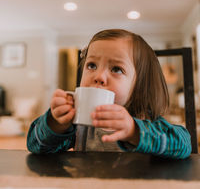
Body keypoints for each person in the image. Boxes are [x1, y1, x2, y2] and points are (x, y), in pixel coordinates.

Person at [27, 29, 191, 158]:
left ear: (140, 85)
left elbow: (184, 144)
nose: (98, 77)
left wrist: (134, 131)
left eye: (116, 69)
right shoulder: (79, 125)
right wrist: (56, 124)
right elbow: (35, 145)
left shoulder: (146, 122)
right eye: (91, 65)